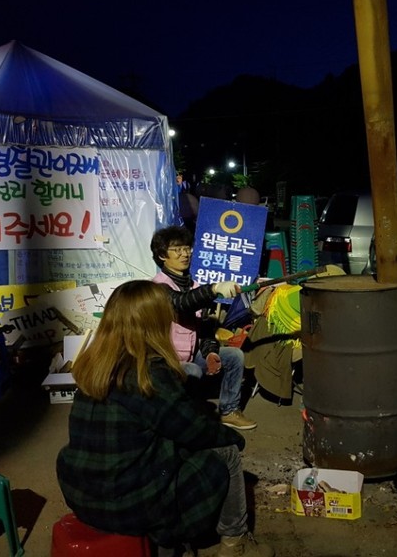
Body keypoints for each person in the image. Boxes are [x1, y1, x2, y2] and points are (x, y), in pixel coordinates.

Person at [56, 280, 274, 557]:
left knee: (166, 445)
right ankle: (235, 543)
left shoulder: (93, 362)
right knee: (227, 453)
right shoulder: (149, 373)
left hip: (82, 493)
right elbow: (196, 431)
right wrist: (234, 437)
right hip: (131, 505)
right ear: (154, 322)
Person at [150, 225, 257, 430]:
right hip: (164, 360)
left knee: (234, 356)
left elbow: (205, 327)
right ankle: (184, 421)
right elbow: (181, 303)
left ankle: (229, 411)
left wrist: (210, 353)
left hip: (190, 354)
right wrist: (215, 288)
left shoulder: (194, 286)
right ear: (163, 255)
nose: (185, 254)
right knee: (192, 371)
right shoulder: (157, 287)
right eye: (177, 250)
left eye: (187, 248)